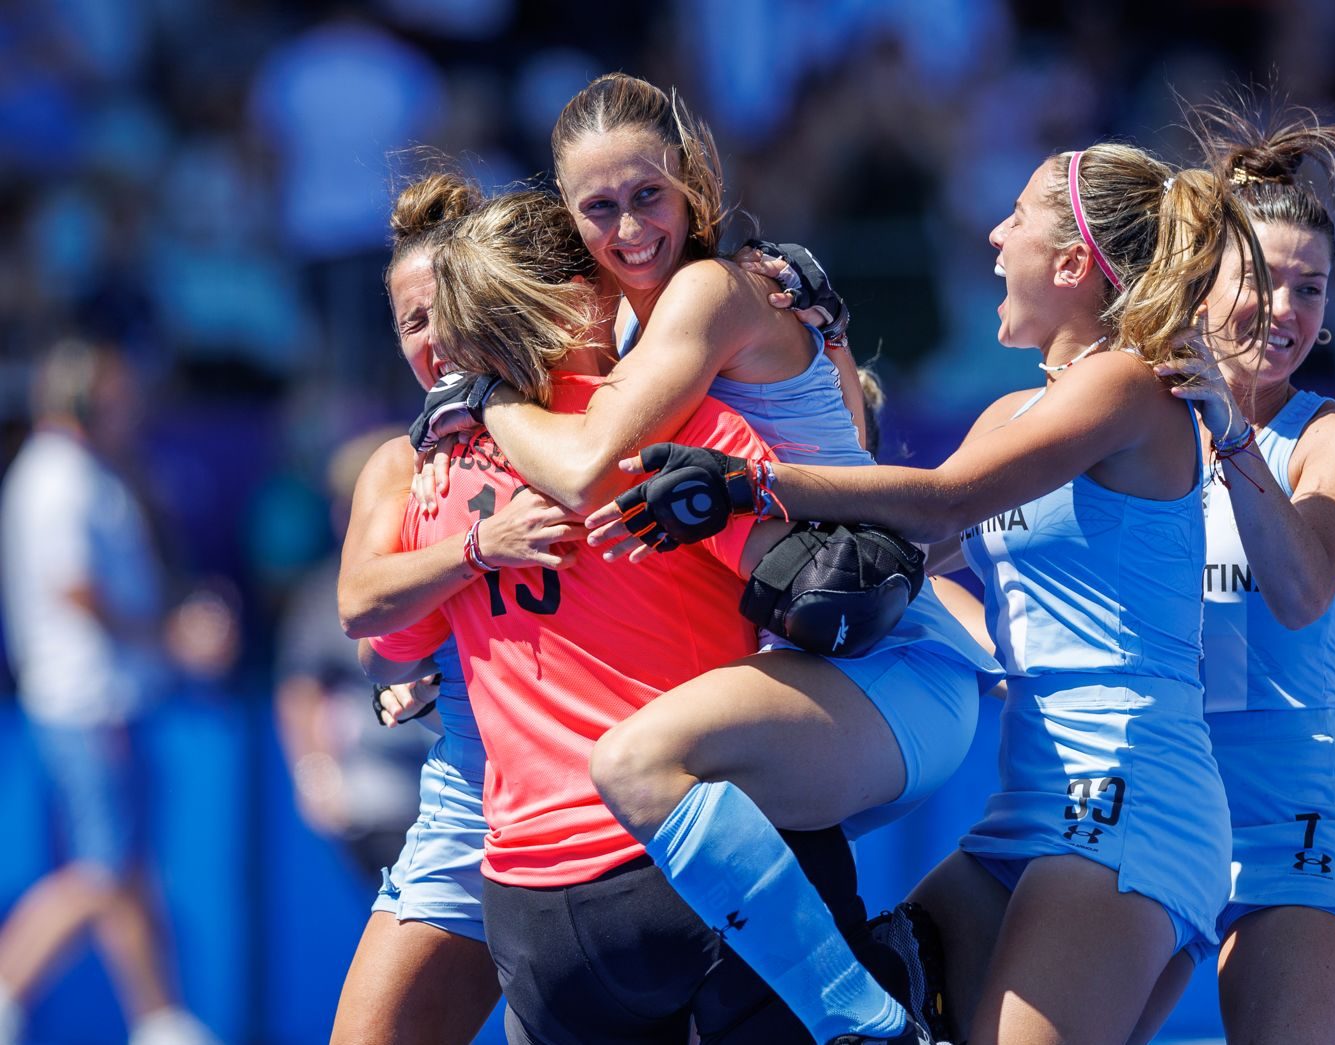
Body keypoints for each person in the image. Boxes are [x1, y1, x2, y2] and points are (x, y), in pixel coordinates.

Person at [592, 142, 1270, 1045]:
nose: (993, 237)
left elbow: (940, 499)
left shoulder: (1125, 384)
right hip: (1034, 803)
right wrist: (818, 347)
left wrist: (752, 481)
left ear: (1071, 264)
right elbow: (890, 548)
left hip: (1127, 797)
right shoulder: (1010, 417)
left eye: (1018, 216)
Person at [423, 72, 999, 1045]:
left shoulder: (701, 290)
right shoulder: (667, 316)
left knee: (637, 762)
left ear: (693, 181)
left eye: (647, 194)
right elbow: (853, 428)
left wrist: (484, 397)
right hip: (837, 666)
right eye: (597, 208)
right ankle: (902, 971)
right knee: (687, 836)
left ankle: (873, 1021)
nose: (629, 228)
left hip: (893, 664)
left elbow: (578, 465)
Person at [360, 179, 904, 1045]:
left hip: (539, 904)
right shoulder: (691, 427)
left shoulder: (436, 478)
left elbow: (392, 649)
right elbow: (826, 588)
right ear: (587, 295)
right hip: (700, 854)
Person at [1143, 98, 1335, 1044]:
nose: (1286, 312)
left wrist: (1233, 439)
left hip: (1292, 825)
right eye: (1264, 280)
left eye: (1311, 289)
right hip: (1151, 809)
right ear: (1204, 280)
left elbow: (1299, 591)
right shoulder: (1131, 417)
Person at [328, 173, 584, 1045]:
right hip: (470, 800)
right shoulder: (399, 471)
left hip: (606, 794)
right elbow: (370, 632)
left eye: (444, 306)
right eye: (410, 322)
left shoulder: (588, 421)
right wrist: (474, 551)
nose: (432, 338)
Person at [0, 340, 220, 1045]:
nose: (131, 410)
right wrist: (173, 633)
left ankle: (159, 1018)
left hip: (104, 697)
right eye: (117, 397)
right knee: (105, 871)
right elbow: (77, 590)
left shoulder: (81, 472)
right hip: (89, 701)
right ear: (83, 400)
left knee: (123, 872)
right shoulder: (60, 478)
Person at [274, 426, 436, 884]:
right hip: (378, 792)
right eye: (349, 502)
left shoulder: (452, 564)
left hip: (461, 785)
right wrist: (315, 776)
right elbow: (299, 692)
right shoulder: (322, 592)